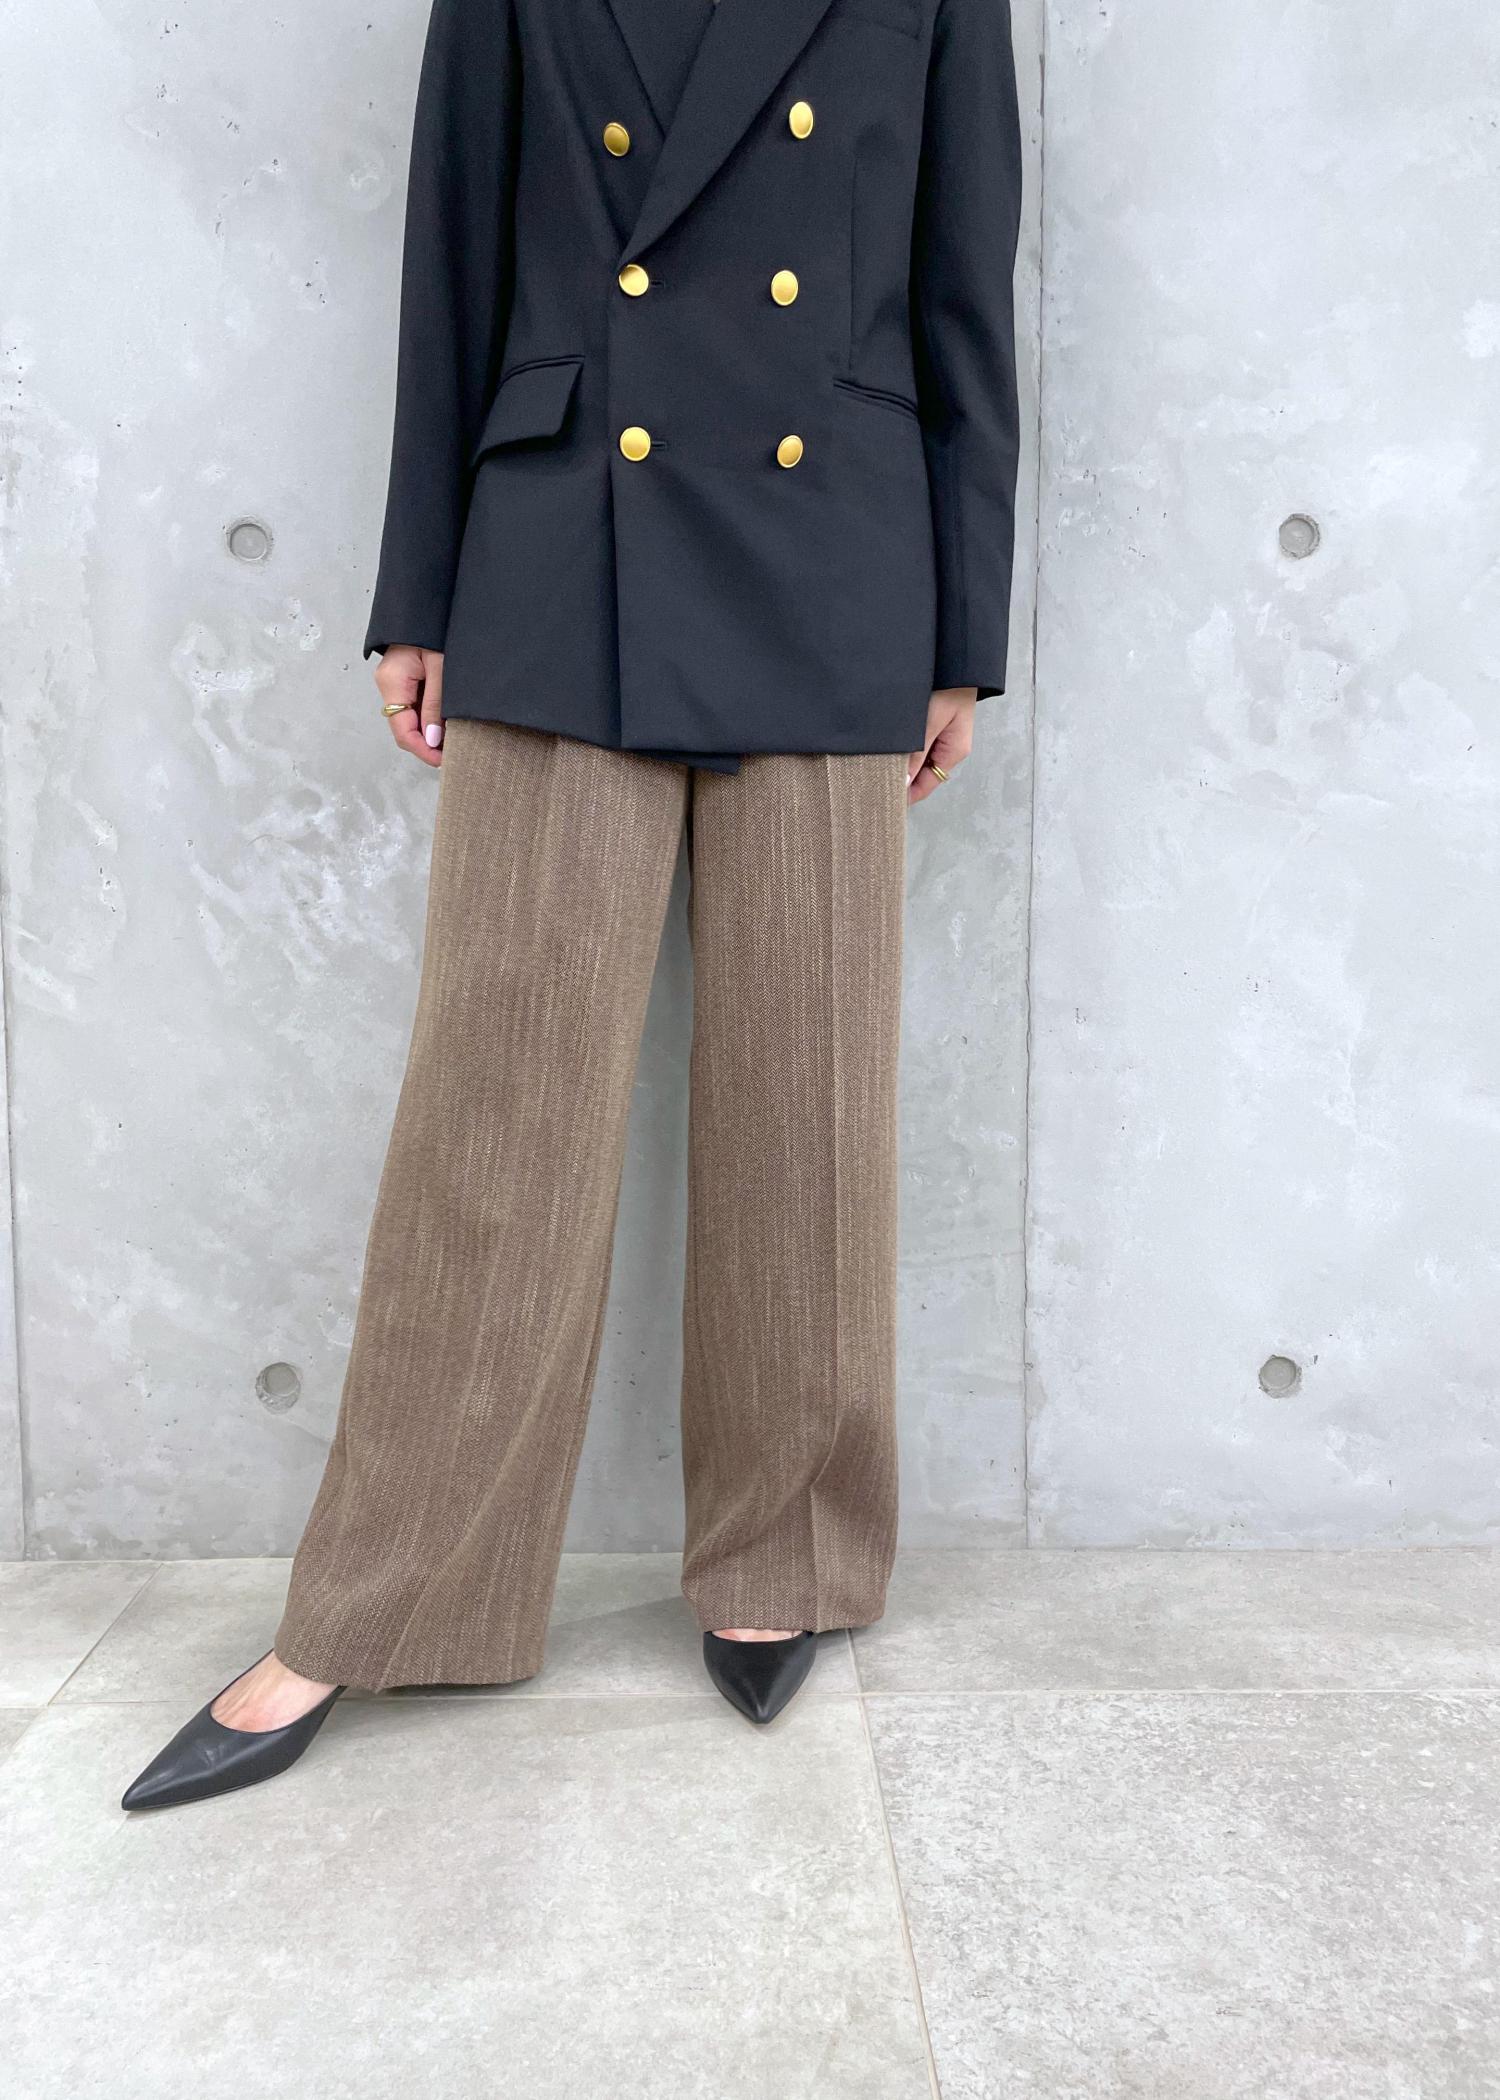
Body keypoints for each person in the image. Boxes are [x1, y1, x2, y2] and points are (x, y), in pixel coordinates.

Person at [122, 0, 1023, 1811]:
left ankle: (786, 1553)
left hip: (835, 550)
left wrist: (962, 631)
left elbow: (963, 283)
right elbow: (453, 248)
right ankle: (387, 1596)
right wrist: (417, 590)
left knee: (806, 1099)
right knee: (499, 1103)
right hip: (557, 543)